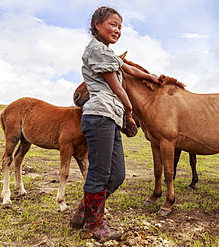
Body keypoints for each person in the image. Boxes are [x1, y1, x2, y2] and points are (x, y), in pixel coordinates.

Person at [69, 6, 160, 240]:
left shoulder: (107, 53)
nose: (117, 30)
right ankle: (94, 224)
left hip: (109, 117)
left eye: (120, 26)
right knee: (99, 173)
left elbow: (125, 67)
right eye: (112, 24)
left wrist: (148, 76)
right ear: (97, 25)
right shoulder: (97, 50)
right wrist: (129, 109)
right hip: (99, 115)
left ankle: (84, 212)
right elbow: (116, 85)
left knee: (117, 175)